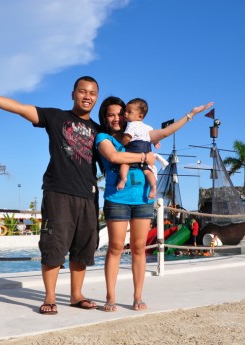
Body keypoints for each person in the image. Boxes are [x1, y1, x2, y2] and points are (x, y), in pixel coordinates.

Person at [0, 74, 101, 315]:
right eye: (82, 91)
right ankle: (50, 298)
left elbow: (122, 149)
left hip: (88, 196)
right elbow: (20, 108)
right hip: (59, 193)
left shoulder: (99, 131)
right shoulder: (57, 117)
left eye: (92, 93)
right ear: (73, 94)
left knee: (82, 249)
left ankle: (77, 296)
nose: (87, 96)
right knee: (53, 246)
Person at [95, 96, 213, 312]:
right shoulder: (103, 137)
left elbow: (166, 132)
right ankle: (110, 297)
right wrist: (145, 156)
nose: (116, 118)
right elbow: (114, 157)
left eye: (120, 114)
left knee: (139, 248)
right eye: (110, 115)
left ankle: (137, 296)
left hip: (142, 199)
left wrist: (191, 115)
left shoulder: (141, 132)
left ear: (129, 115)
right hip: (117, 198)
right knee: (116, 248)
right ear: (104, 117)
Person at [117, 98, 158, 199]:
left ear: (140, 116)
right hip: (147, 149)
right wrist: (156, 143)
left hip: (135, 148)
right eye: (125, 111)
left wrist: (123, 143)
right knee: (148, 171)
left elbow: (127, 137)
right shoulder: (149, 127)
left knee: (125, 163)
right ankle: (153, 186)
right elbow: (152, 137)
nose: (125, 114)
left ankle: (123, 178)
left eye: (129, 112)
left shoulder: (132, 125)